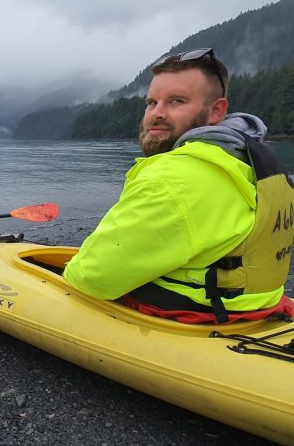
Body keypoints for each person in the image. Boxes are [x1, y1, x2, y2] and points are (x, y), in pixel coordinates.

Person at [63, 48, 294, 323]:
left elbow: (91, 277)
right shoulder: (248, 160)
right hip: (259, 301)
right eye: (151, 103)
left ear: (216, 111)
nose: (157, 114)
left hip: (202, 314)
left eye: (176, 101)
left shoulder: (171, 179)